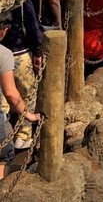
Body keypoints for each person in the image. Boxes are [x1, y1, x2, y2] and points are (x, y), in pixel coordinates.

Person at [0, 9, 41, 177]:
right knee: (4, 155)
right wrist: (29, 115)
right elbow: (11, 94)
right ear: (4, 31)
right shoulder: (3, 54)